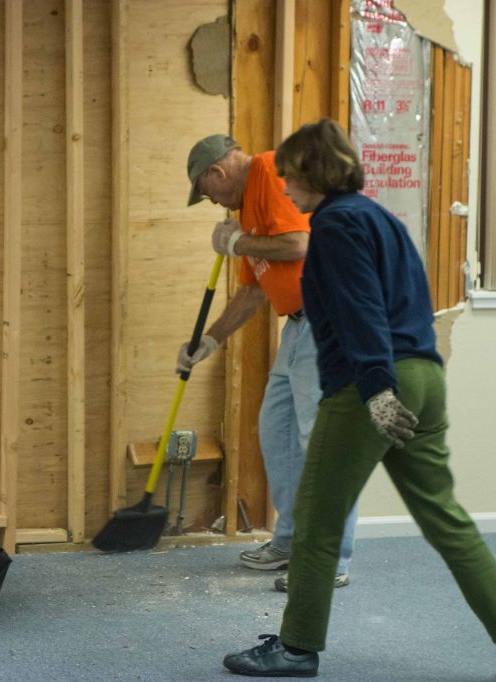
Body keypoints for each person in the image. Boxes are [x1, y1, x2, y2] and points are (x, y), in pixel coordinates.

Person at [221, 118, 496, 681]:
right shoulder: (381, 218)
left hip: (371, 384)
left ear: (314, 173)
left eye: (291, 177)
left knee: (317, 521)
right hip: (425, 378)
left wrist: (375, 389)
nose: (285, 189)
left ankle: (295, 650)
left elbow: (360, 308)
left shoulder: (336, 224)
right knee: (445, 518)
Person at [180, 134, 358, 591]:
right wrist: (209, 340)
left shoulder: (270, 171)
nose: (212, 201)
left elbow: (299, 244)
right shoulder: (246, 211)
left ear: (218, 172)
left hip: (327, 321)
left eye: (206, 191)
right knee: (278, 433)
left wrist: (239, 243)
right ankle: (292, 541)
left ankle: (328, 559)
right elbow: (253, 290)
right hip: (296, 328)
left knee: (323, 443)